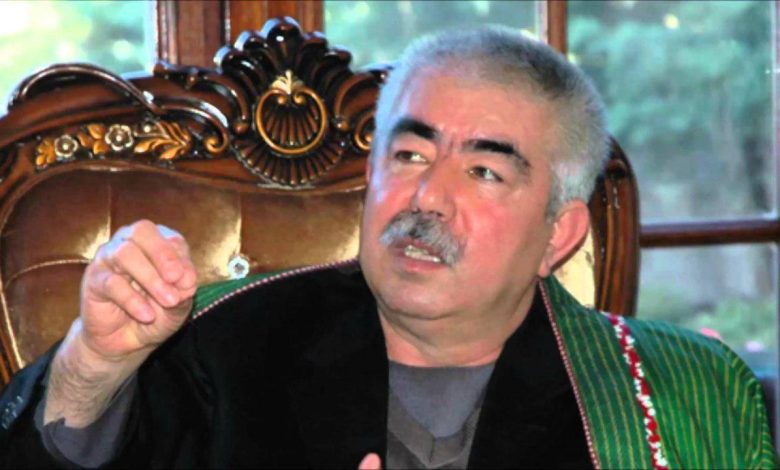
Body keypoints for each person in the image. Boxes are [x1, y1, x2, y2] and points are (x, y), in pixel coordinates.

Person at [0, 25, 776, 469]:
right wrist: (91, 368)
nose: (427, 196)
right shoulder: (220, 343)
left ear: (559, 233)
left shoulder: (673, 398)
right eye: (408, 155)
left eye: (484, 171)